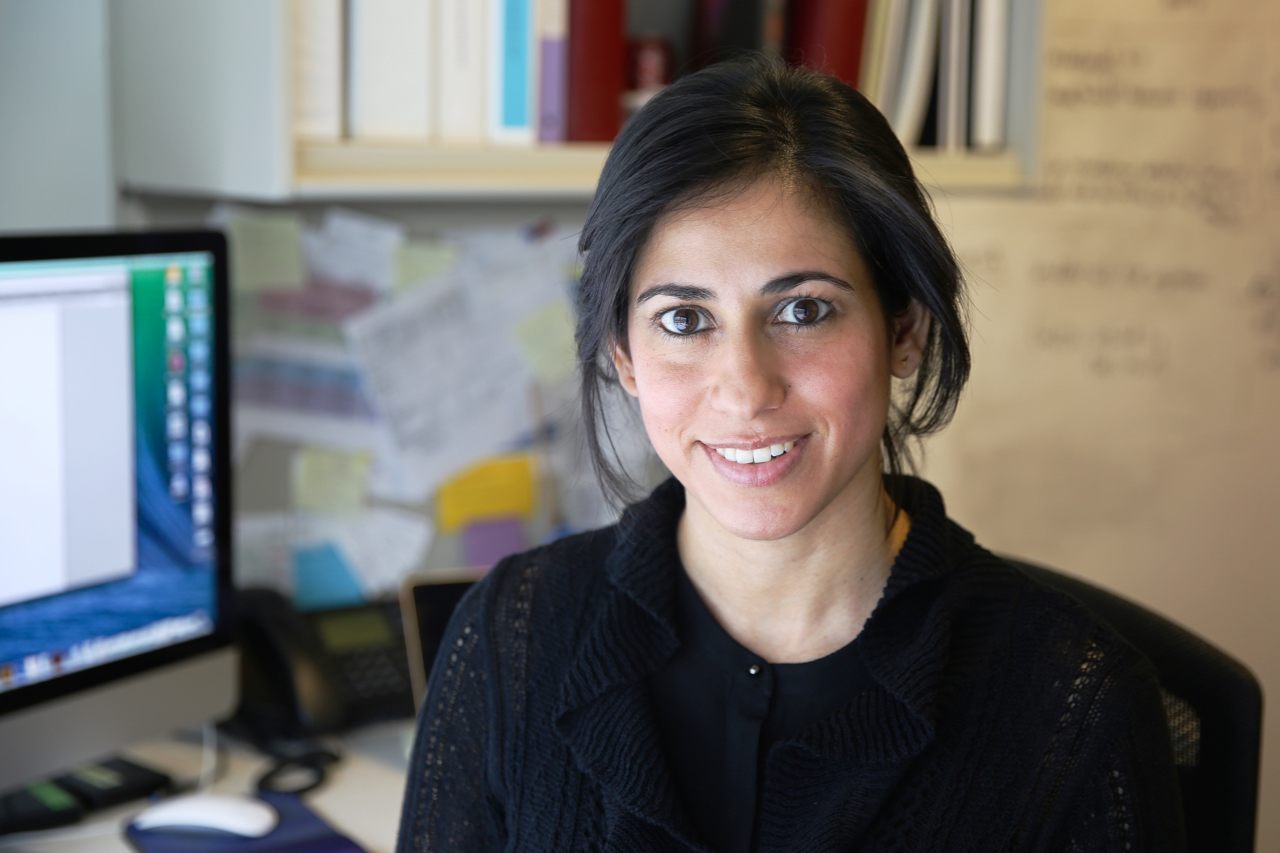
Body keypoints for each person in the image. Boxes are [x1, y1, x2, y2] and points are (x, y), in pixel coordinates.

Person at [397, 57, 1183, 852]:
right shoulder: (511, 633)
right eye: (682, 320)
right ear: (624, 354)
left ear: (904, 327)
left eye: (803, 310)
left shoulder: (1074, 706)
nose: (744, 389)